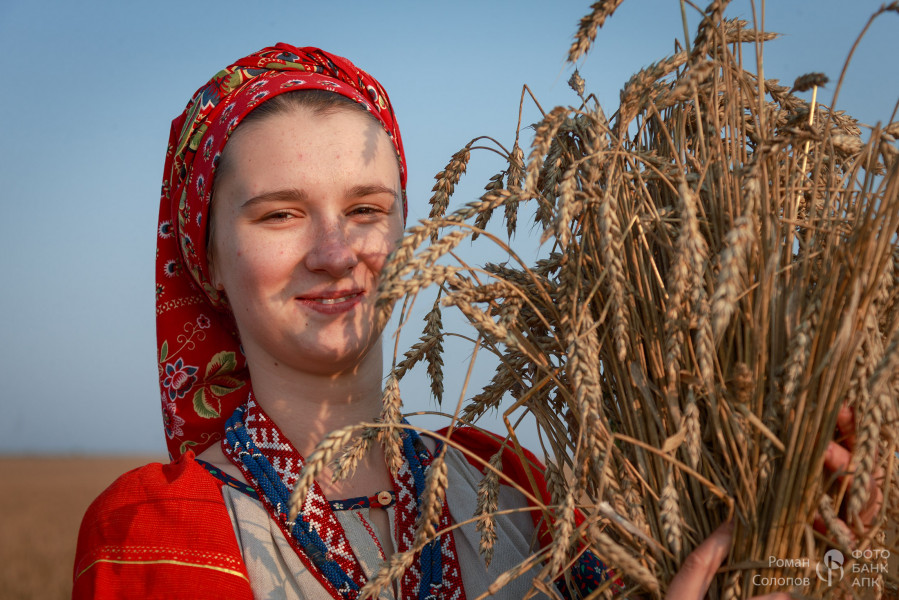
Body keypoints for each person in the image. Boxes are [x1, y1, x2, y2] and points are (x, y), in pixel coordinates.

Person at [73, 44, 876, 600]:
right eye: (279, 215)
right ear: (206, 258)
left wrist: (794, 537)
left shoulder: (513, 488)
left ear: (406, 231)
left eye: (366, 210)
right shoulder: (159, 529)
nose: (334, 250)